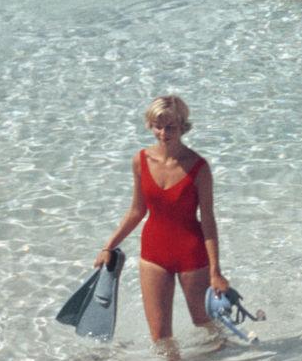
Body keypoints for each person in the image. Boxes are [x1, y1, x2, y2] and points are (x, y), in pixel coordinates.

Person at [94, 96, 228, 346]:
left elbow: (208, 221)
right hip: (154, 253)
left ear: (182, 127)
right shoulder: (140, 161)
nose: (163, 133)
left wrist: (215, 271)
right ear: (149, 125)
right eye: (158, 126)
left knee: (205, 325)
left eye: (170, 127)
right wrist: (108, 246)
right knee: (160, 336)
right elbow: (136, 211)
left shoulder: (199, 167)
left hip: (192, 254)